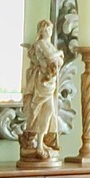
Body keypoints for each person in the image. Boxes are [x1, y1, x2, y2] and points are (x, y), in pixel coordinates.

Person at [21, 19, 64, 163]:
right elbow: (51, 57)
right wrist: (60, 53)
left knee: (48, 111)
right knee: (41, 109)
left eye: (51, 29)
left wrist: (58, 56)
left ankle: (40, 141)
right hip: (41, 82)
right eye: (47, 29)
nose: (49, 32)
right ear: (41, 30)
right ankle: (36, 142)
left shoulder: (49, 44)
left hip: (49, 81)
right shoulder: (41, 44)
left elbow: (56, 60)